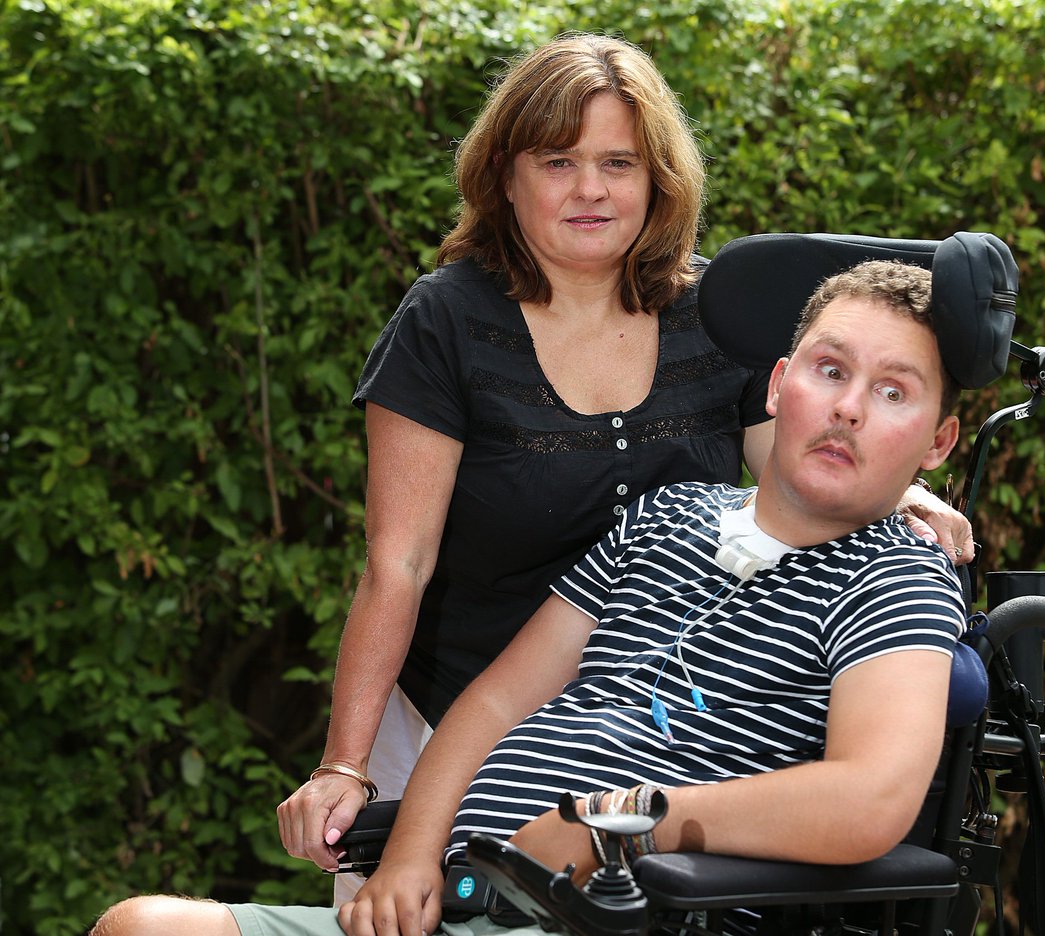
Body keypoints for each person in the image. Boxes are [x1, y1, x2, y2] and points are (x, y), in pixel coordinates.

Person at [274, 30, 972, 903]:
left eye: (618, 163)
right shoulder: (447, 320)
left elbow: (796, 471)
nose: (591, 190)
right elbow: (398, 564)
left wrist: (901, 488)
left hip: (657, 733)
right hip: (455, 714)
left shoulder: (713, 315)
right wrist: (346, 762)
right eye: (558, 161)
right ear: (505, 176)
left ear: (658, 179)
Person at [92, 258, 968, 936]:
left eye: (893, 392)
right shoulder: (666, 516)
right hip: (473, 900)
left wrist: (615, 824)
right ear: (777, 386)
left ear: (938, 442)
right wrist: (409, 857)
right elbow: (497, 700)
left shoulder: (895, 577)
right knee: (142, 927)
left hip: (630, 915)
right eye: (829, 370)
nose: (849, 408)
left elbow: (870, 799)